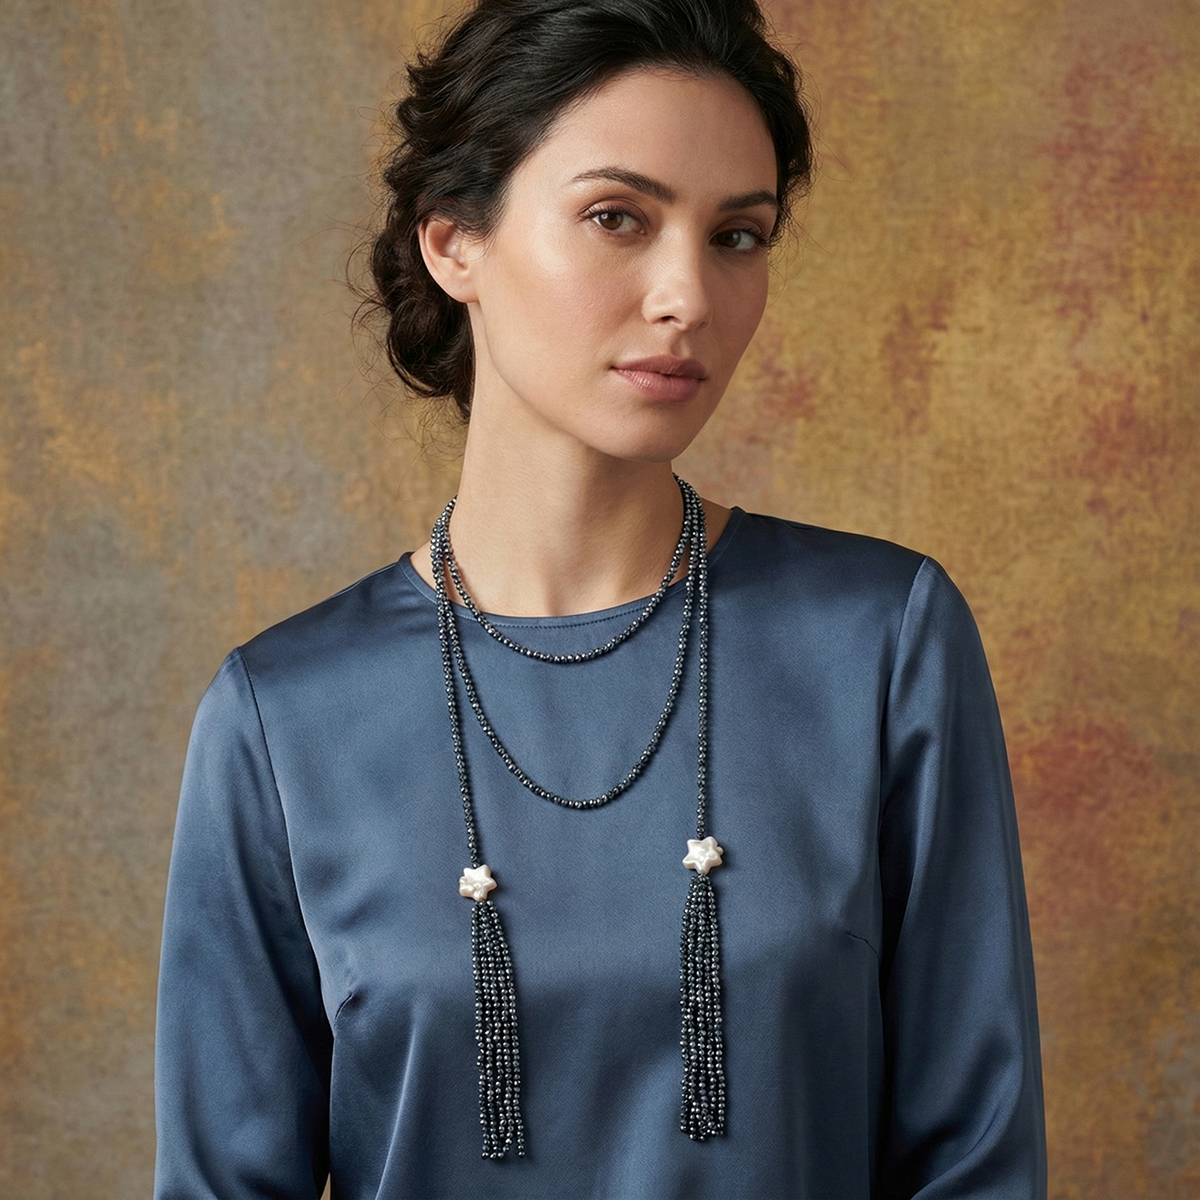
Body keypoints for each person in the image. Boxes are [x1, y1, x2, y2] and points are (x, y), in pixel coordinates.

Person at [154, 0, 1047, 1196]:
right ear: (453, 242)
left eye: (738, 235)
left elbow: (975, 1161)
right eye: (617, 217)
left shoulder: (882, 644)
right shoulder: (283, 717)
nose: (687, 295)